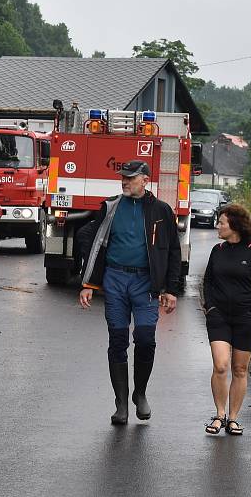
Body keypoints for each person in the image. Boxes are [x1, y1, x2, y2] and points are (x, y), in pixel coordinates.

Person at [78, 159, 181, 425]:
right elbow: (89, 238)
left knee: (146, 338)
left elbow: (172, 252)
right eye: (123, 177)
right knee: (118, 338)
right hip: (115, 279)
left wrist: (171, 289)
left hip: (146, 283)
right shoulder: (111, 207)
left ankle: (140, 393)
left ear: (145, 180)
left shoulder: (162, 211)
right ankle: (121, 403)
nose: (124, 181)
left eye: (130, 178)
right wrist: (89, 281)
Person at [202, 204, 251, 436]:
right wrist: (209, 307)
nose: (217, 226)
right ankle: (219, 415)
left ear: (235, 225)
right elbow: (208, 281)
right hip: (218, 316)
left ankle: (233, 419)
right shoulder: (217, 250)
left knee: (239, 369)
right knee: (220, 365)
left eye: (221, 222)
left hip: (245, 319)